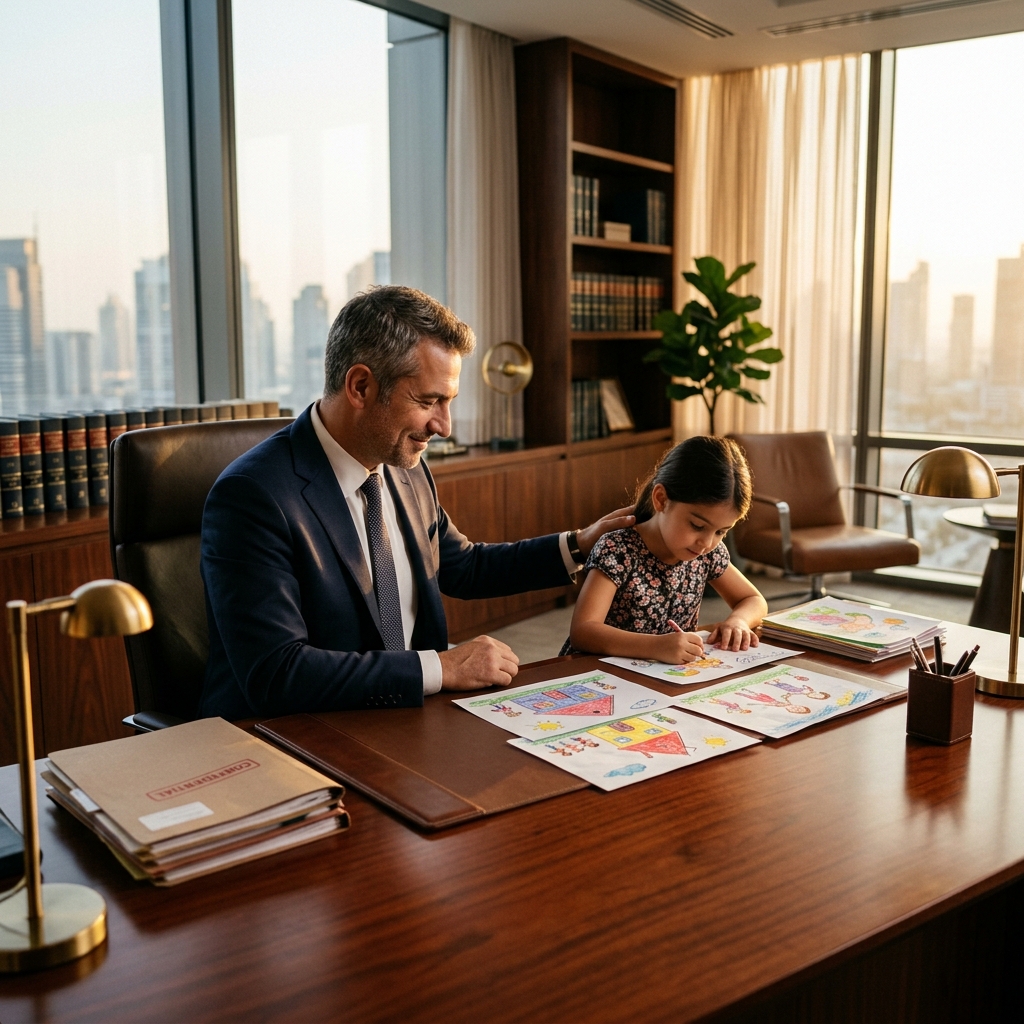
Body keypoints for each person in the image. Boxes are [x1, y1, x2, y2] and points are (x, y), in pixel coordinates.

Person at [199, 285, 634, 719]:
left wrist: (580, 544)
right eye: (429, 401)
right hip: (303, 734)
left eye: (449, 402)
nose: (443, 426)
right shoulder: (252, 496)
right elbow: (277, 673)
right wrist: (440, 667)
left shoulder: (404, 467)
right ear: (361, 386)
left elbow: (463, 566)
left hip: (407, 716)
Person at [562, 435, 768, 662]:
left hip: (660, 678)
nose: (707, 543)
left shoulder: (706, 554)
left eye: (721, 532)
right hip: (598, 674)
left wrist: (738, 621)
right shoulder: (618, 549)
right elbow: (583, 631)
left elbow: (753, 599)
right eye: (697, 526)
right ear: (661, 499)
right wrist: (656, 646)